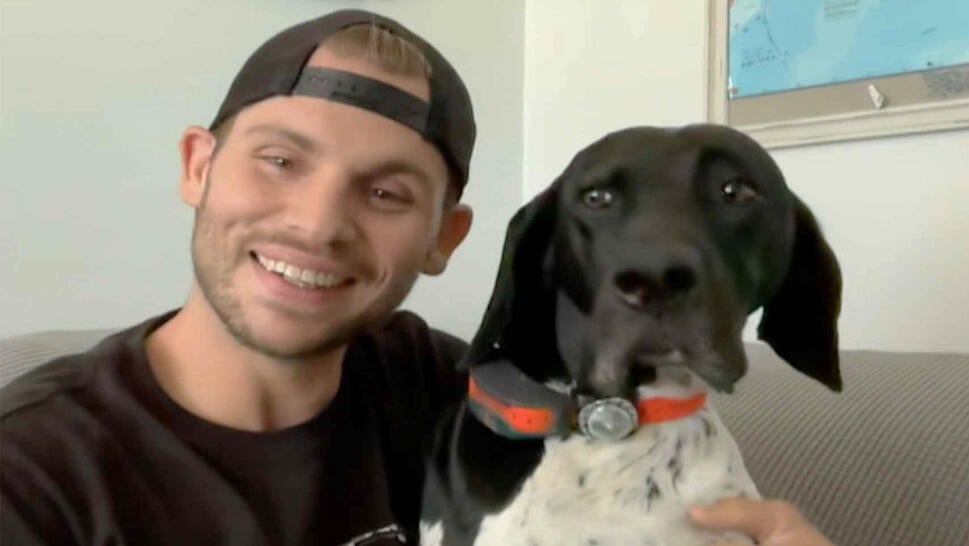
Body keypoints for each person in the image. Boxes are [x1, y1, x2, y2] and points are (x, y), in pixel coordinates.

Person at [0, 9, 833, 546]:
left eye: (386, 192)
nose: (320, 223)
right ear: (198, 165)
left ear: (446, 238)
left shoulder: (472, 393)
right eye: (281, 159)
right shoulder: (32, 475)